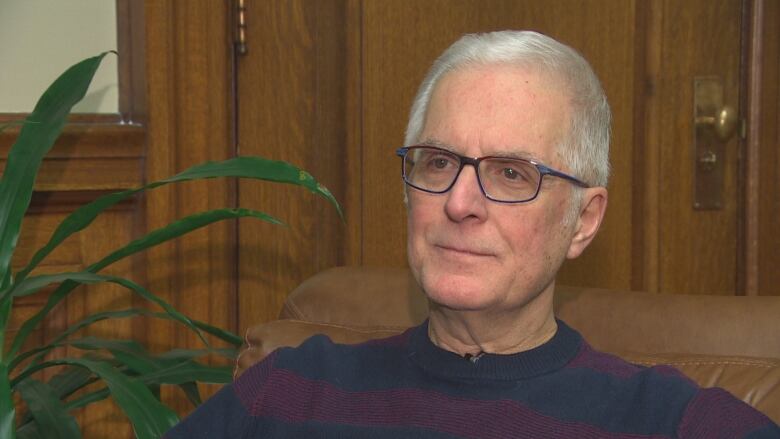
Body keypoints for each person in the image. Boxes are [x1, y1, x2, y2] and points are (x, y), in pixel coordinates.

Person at [165, 30, 779, 438]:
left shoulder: (667, 421)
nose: (460, 203)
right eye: (438, 162)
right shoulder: (290, 391)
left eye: (511, 174)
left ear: (583, 222)